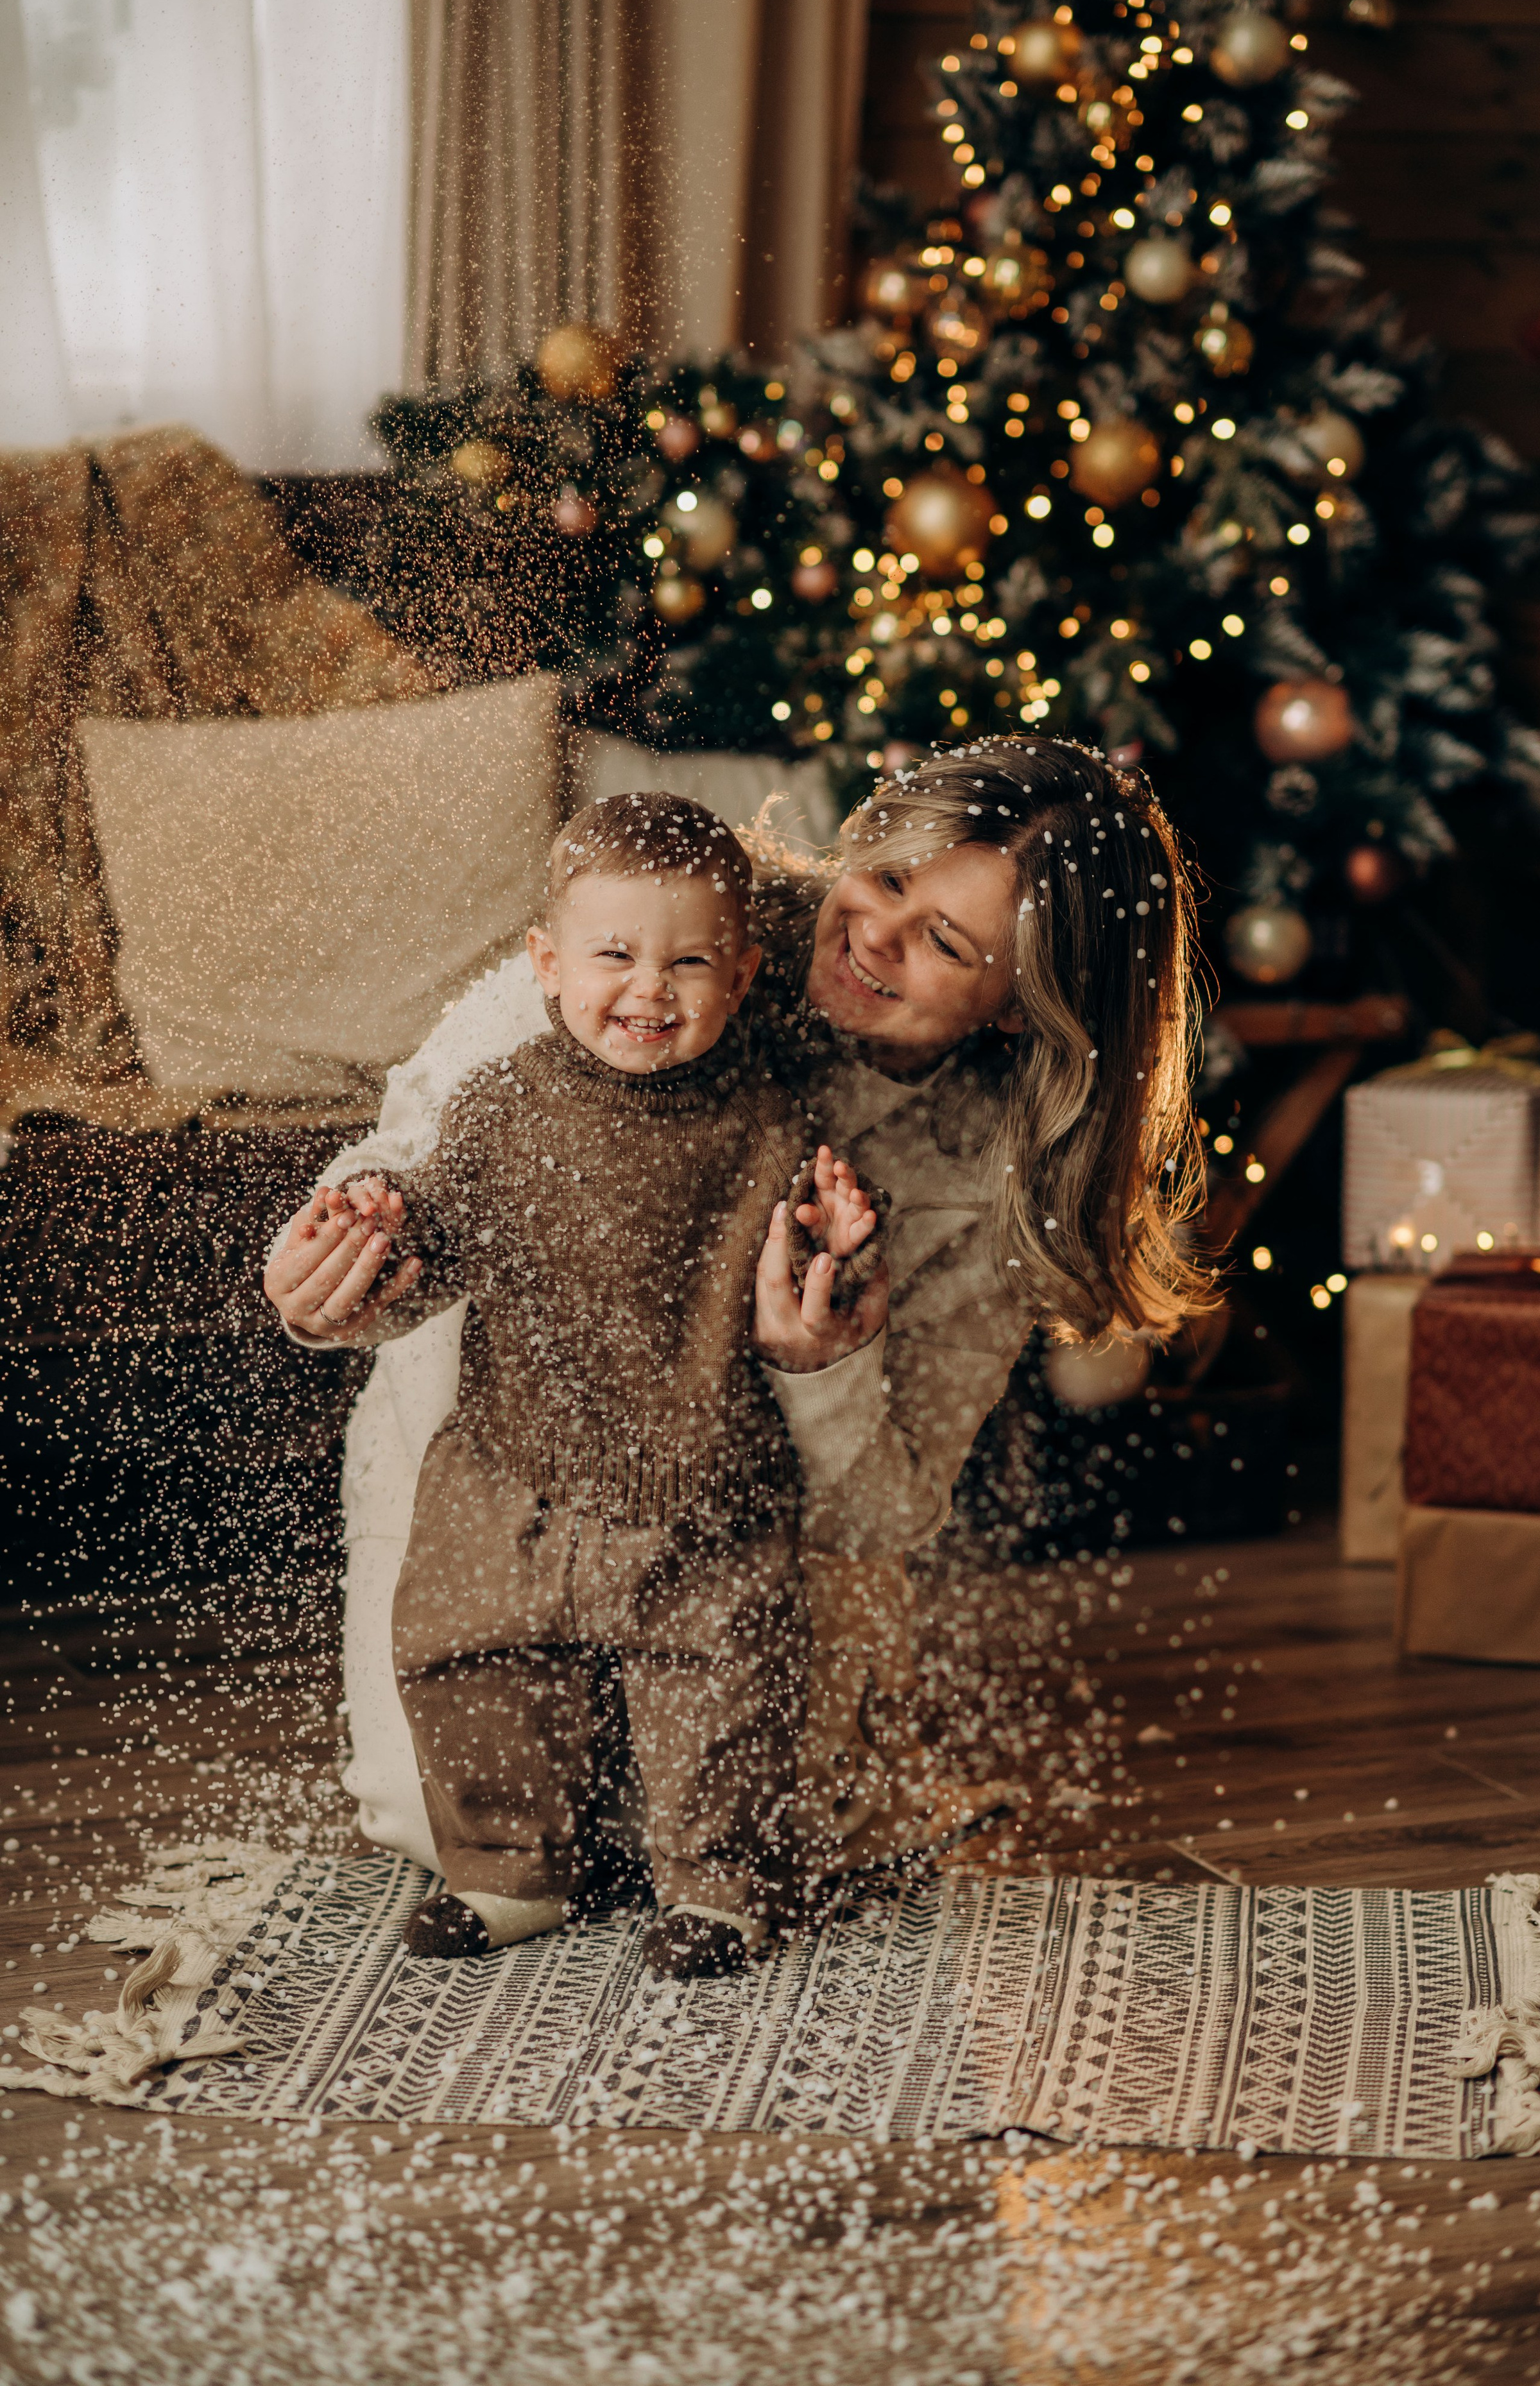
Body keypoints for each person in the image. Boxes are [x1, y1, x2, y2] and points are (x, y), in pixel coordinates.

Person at [265, 736, 1211, 1899]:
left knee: (741, 1833)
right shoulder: (673, 915)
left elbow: (887, 1509)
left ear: (1021, 1009)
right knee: (443, 1820)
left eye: (946, 943)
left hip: (749, 1532)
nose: (877, 934)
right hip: (504, 1472)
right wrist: (337, 1272)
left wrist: (820, 1367)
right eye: (892, 877)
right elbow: (419, 1154)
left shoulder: (993, 1176)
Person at [285, 793, 880, 1980]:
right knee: (471, 1664)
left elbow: (795, 1294)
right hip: (511, 1469)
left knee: (722, 1684)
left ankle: (716, 1883)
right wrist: (377, 1243)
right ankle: (509, 1873)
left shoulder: (772, 1124)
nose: (650, 989)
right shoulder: (502, 1106)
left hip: (696, 1471)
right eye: (614, 955)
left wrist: (831, 1255)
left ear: (746, 971)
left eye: (690, 960)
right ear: (549, 966)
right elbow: (435, 1246)